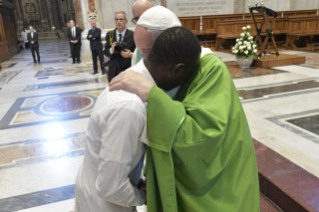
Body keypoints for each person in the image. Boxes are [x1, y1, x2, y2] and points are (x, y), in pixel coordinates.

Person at [109, 26, 260, 211]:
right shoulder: (178, 64)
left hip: (225, 185)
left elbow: (203, 134)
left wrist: (153, 94)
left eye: (147, 50)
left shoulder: (212, 70)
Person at [103, 11, 135, 82]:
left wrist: (131, 55)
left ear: (126, 21)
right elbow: (106, 52)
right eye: (116, 19)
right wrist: (111, 50)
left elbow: (138, 52)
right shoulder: (110, 34)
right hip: (113, 70)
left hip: (128, 69)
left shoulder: (133, 35)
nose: (119, 22)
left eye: (121, 19)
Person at [131, 0, 158, 66]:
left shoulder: (168, 44)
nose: (140, 23)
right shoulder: (138, 49)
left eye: (144, 17)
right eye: (137, 19)